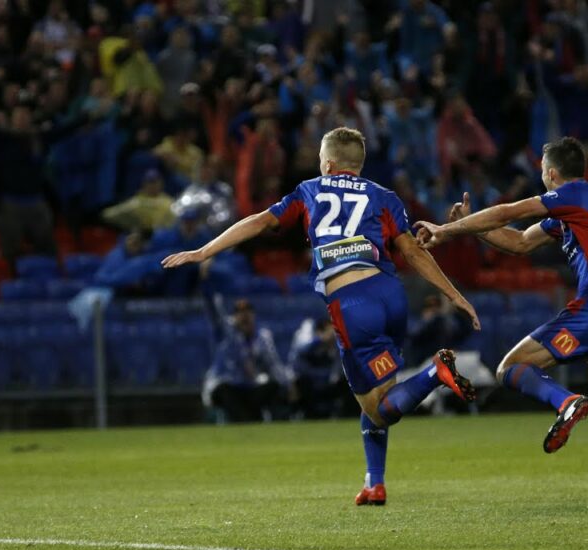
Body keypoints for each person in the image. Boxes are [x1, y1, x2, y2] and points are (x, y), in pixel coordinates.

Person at [163, 127, 480, 506]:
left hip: (351, 303)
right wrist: (455, 294)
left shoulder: (311, 189)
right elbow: (412, 252)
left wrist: (204, 251)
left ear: (327, 164)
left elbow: (261, 221)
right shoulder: (384, 196)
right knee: (379, 396)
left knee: (378, 408)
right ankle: (374, 483)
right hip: (390, 295)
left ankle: (434, 374)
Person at [415, 137, 588, 504]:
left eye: (542, 170)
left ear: (551, 174)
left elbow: (509, 212)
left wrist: (445, 231)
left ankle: (565, 402)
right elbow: (520, 242)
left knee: (510, 367)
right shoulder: (584, 207)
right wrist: (471, 225)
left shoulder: (574, 194)